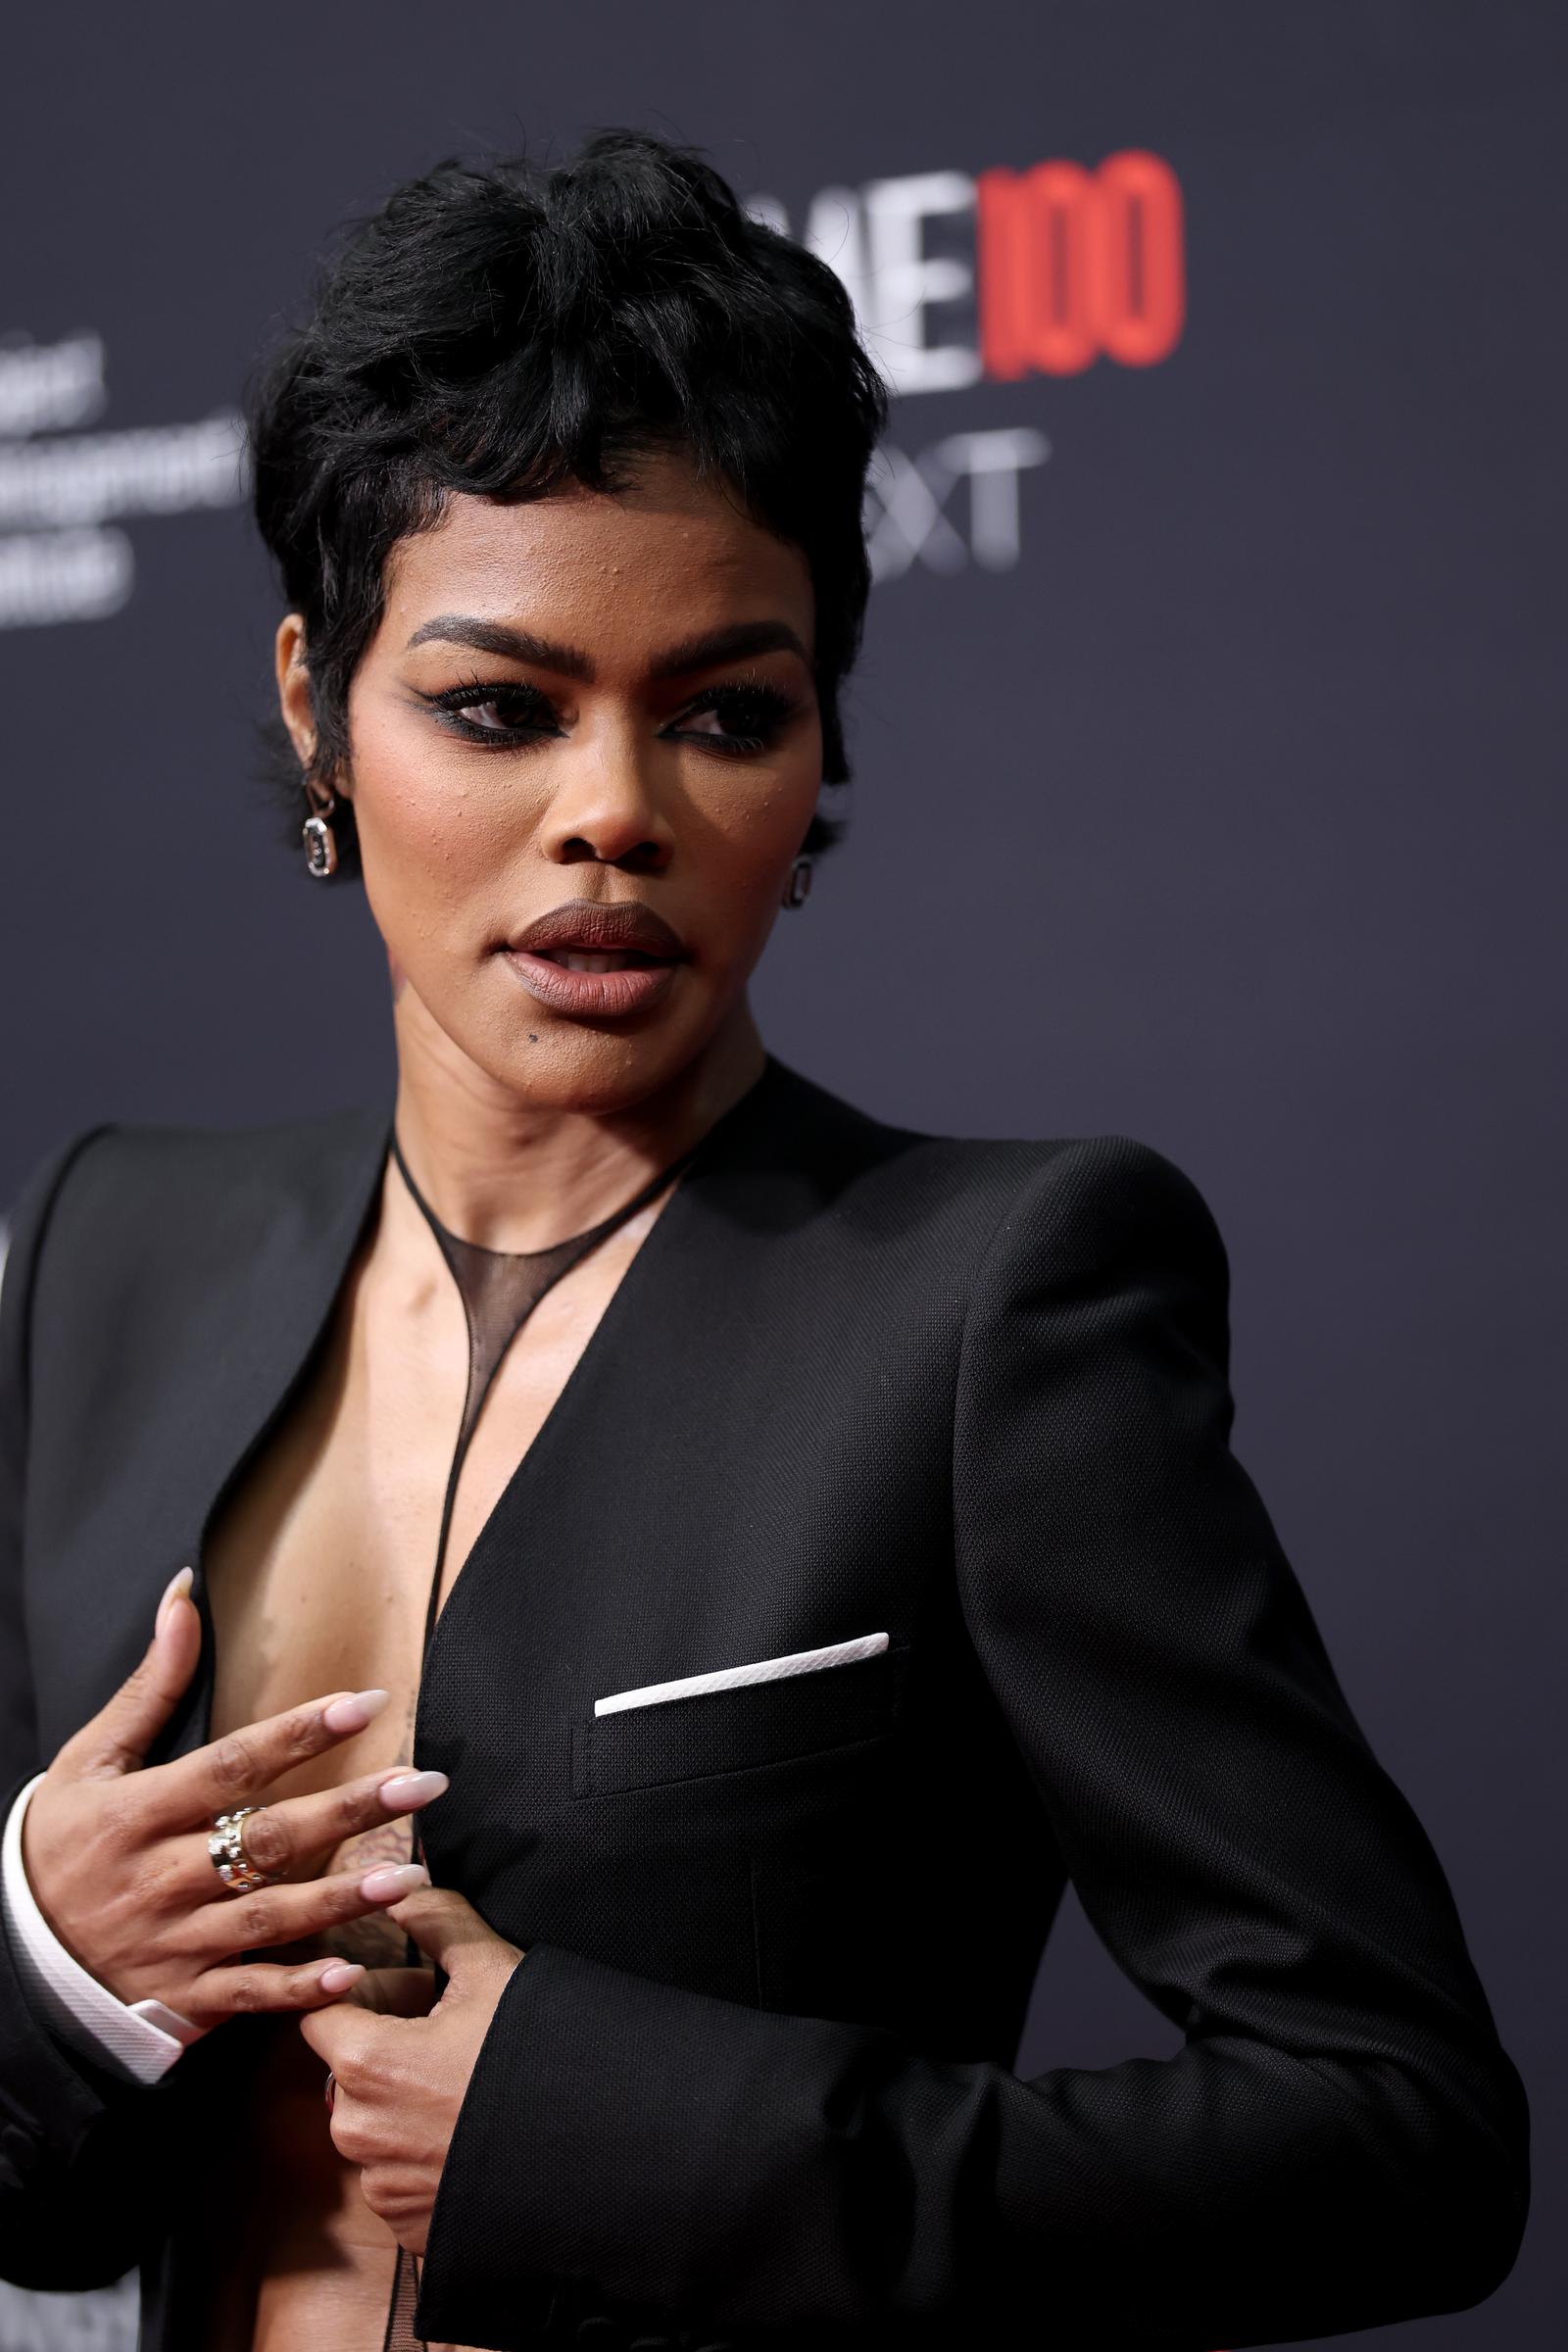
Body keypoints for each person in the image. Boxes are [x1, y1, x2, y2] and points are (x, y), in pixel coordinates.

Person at [0, 130, 1529, 2352]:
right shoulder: (100, 1251)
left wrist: (602, 2123)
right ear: (317, 709)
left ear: (813, 757)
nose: (614, 810)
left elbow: (1399, 2140)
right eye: (497, 708)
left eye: (723, 711)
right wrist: (51, 1969)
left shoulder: (994, 1299)